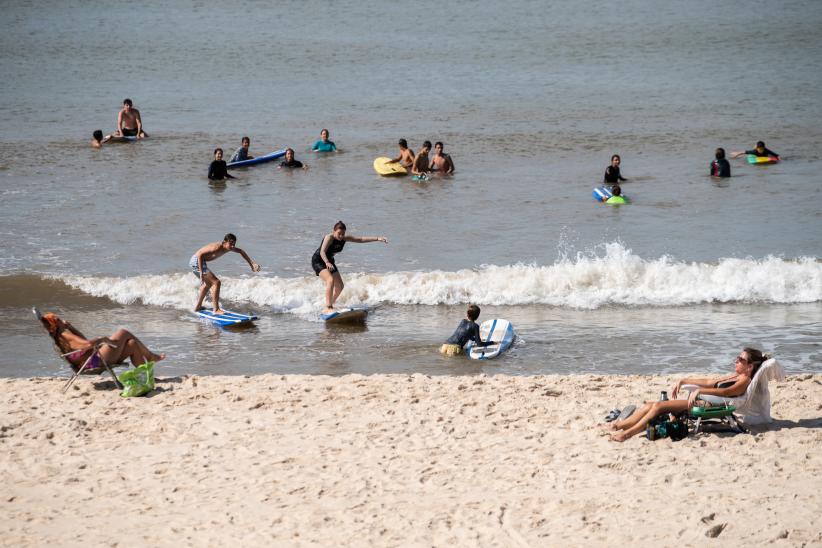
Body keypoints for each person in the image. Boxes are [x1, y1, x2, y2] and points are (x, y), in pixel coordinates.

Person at [602, 347, 767, 442]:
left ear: (750, 366)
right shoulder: (736, 375)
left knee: (659, 406)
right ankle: (618, 426)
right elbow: (710, 382)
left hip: (710, 403)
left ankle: (627, 434)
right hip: (705, 399)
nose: (736, 361)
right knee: (650, 405)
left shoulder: (744, 381)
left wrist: (699, 391)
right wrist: (684, 380)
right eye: (737, 358)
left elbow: (725, 392)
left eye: (741, 360)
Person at [311, 221, 388, 314]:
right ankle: (328, 307)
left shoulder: (344, 238)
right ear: (333, 231)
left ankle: (330, 303)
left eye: (343, 234)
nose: (341, 236)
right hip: (319, 260)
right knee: (330, 280)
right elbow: (322, 252)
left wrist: (377, 238)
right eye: (339, 233)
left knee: (340, 286)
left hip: (330, 261)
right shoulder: (329, 237)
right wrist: (326, 262)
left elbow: (361, 239)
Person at [39, 312, 165, 368]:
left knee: (131, 344)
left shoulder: (60, 336)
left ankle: (145, 375)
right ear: (57, 323)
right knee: (123, 332)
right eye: (59, 319)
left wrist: (71, 327)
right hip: (95, 361)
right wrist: (101, 339)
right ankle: (149, 356)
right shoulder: (66, 335)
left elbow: (83, 341)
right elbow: (88, 344)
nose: (62, 320)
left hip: (90, 360)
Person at [190, 233, 261, 313]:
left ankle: (198, 307)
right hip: (196, 261)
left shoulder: (229, 248)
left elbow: (241, 251)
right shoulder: (216, 247)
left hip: (201, 262)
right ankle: (216, 309)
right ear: (224, 242)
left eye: (234, 244)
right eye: (231, 243)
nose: (233, 246)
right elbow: (200, 255)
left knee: (208, 284)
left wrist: (252, 264)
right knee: (216, 282)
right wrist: (201, 273)